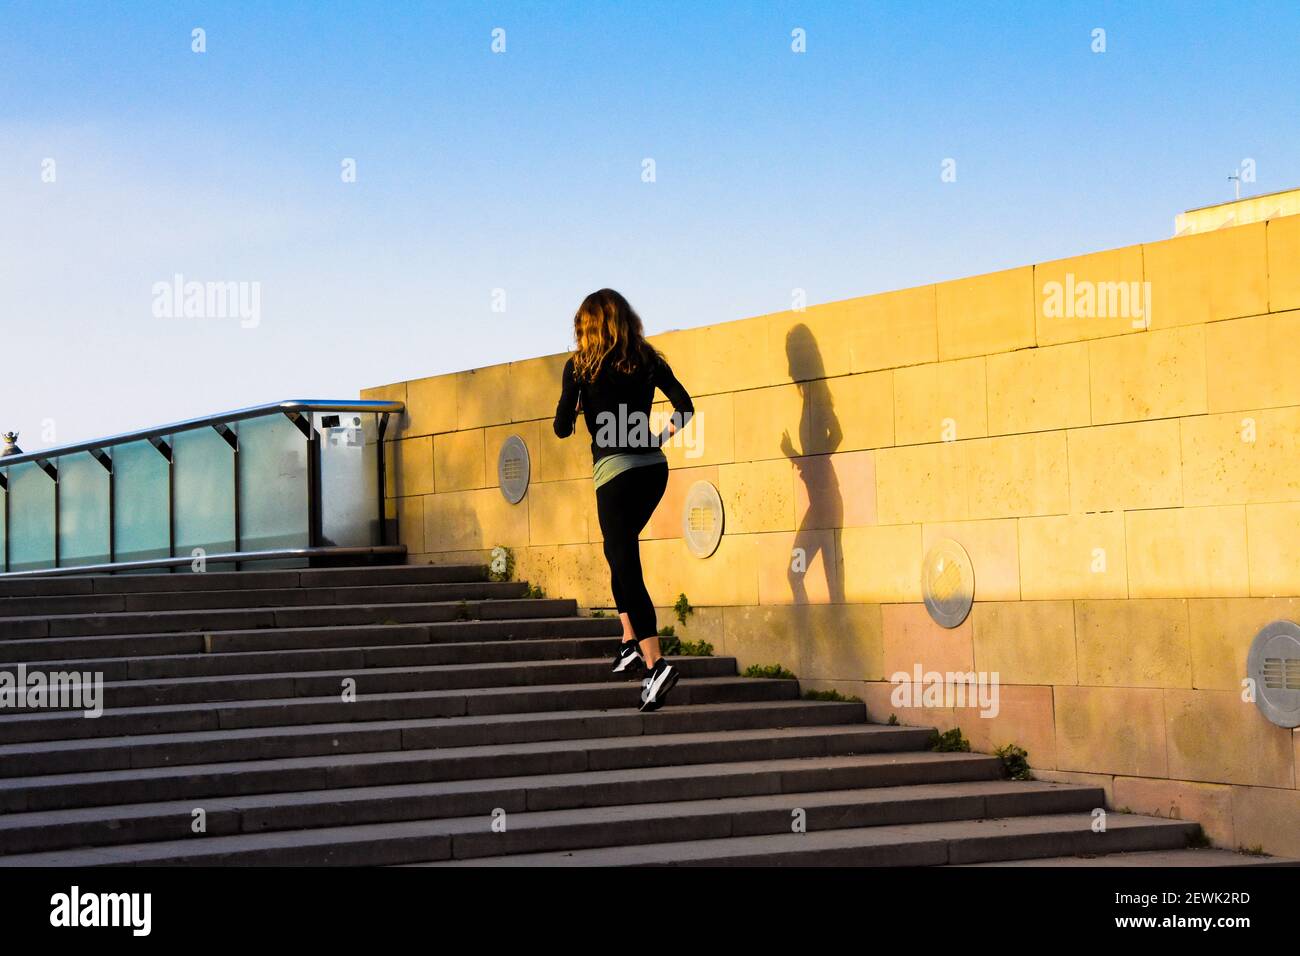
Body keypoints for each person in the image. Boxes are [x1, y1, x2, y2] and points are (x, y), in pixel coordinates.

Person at [553, 289, 694, 712]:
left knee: (625, 563)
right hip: (653, 468)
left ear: (588, 326)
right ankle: (628, 640)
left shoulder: (580, 366)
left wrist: (577, 405)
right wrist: (655, 438)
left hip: (614, 473)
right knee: (618, 554)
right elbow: (684, 408)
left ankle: (656, 663)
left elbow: (561, 428)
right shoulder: (648, 358)